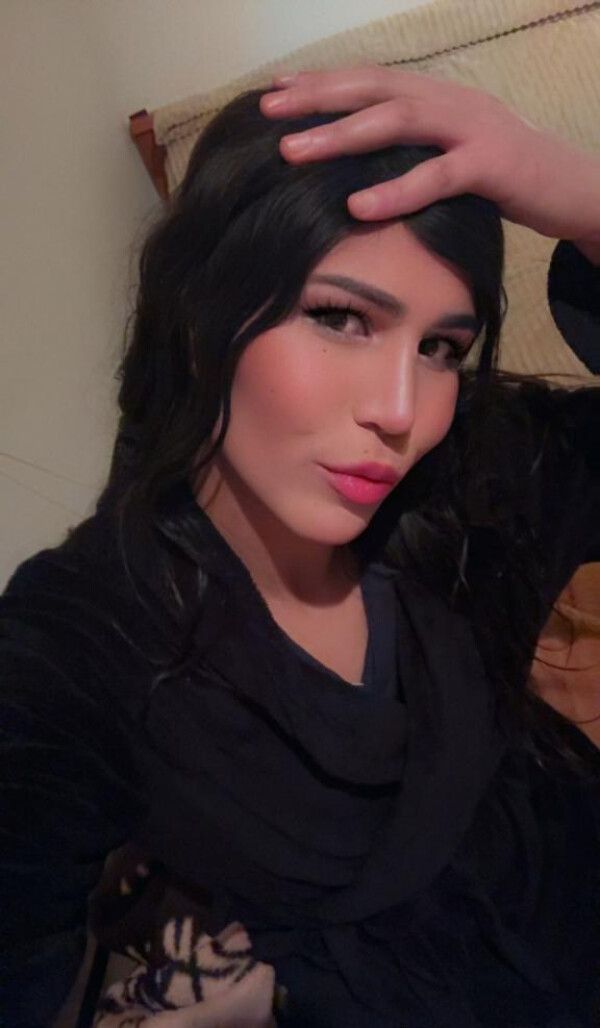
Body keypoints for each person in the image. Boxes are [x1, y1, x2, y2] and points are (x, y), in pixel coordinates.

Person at [1, 64, 599, 1028]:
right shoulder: (79, 641)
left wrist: (581, 192)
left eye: (440, 349)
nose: (401, 413)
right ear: (199, 319)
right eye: (340, 317)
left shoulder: (472, 483)